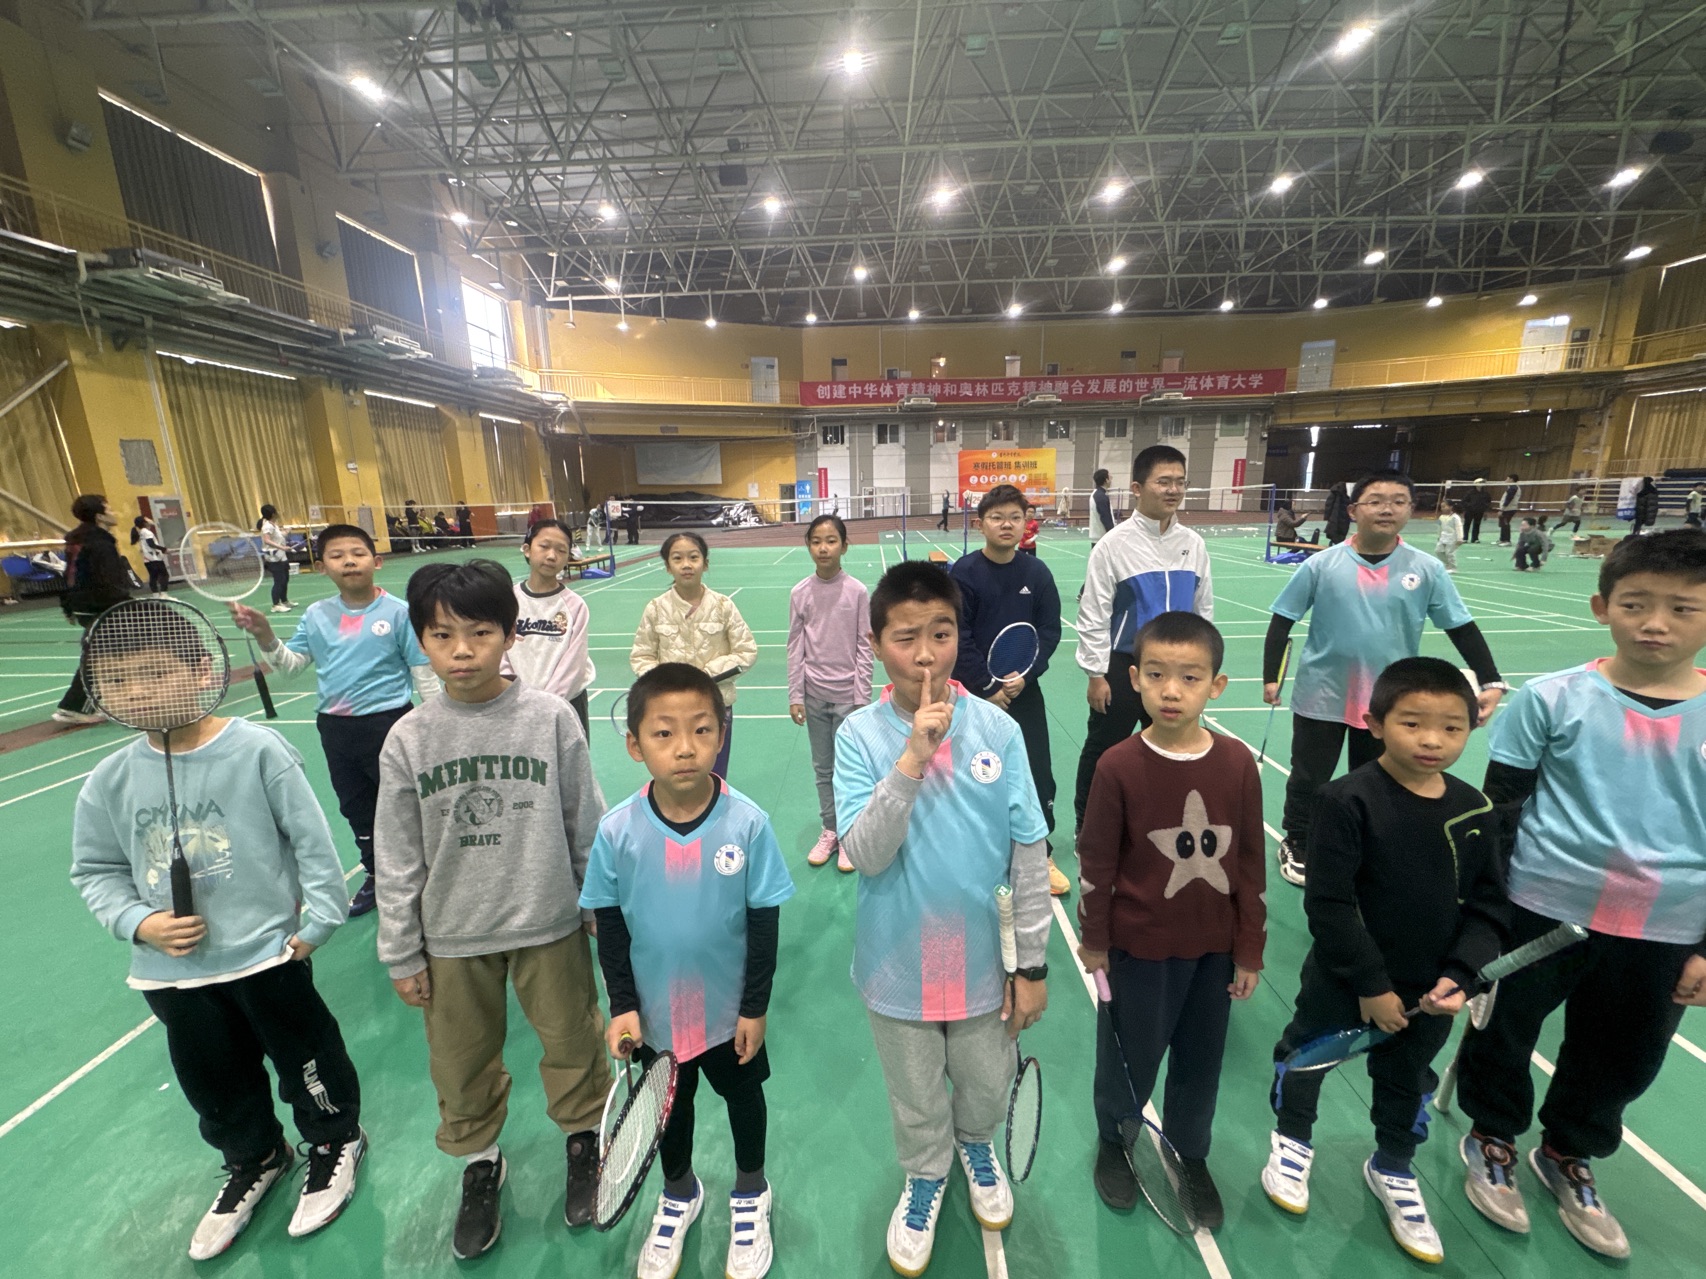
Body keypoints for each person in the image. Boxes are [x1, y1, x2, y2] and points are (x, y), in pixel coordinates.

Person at [70, 598, 365, 1261]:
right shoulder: (107, 780)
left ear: (203, 669)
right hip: (172, 975)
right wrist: (139, 921)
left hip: (267, 955)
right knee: (214, 1080)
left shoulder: (256, 749)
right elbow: (94, 869)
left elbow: (311, 840)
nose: (136, 691)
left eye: (153, 672)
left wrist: (322, 918)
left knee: (307, 1058)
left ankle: (334, 1139)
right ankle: (255, 1156)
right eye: (117, 681)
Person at [1454, 529, 1706, 1261]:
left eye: (1682, 608)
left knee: (1623, 1054)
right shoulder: (1550, 698)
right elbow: (1501, 813)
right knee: (1505, 1031)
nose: (1655, 623)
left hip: (1667, 924)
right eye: (1636, 603)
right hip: (1543, 906)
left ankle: (1568, 1152)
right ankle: (1492, 1137)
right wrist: (1486, 914)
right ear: (1602, 607)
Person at [375, 560, 609, 1261]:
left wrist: (601, 907)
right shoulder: (408, 738)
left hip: (549, 921)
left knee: (573, 1042)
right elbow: (397, 854)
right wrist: (401, 948)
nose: (463, 651)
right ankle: (481, 1163)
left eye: (480, 632)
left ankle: (584, 1143)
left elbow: (585, 820)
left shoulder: (551, 718)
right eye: (442, 635)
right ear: (421, 641)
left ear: (509, 634)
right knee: (460, 1062)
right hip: (451, 936)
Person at [835, 561, 1050, 1276]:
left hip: (985, 961)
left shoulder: (998, 729)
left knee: (985, 1082)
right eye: (905, 638)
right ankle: (926, 1173)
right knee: (915, 1091)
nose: (926, 655)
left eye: (941, 633)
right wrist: (911, 759)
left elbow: (1028, 850)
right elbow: (865, 854)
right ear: (876, 646)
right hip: (896, 960)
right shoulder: (858, 736)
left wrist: (1032, 964)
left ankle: (975, 1144)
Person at [1261, 657, 1509, 1265]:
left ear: (1471, 729)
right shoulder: (1345, 800)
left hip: (1430, 990)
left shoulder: (1475, 811)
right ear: (1374, 724)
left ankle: (1393, 1165)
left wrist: (1461, 977)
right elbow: (1329, 903)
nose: (1432, 740)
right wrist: (1371, 985)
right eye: (1412, 723)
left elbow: (1488, 908)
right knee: (1308, 1059)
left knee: (1407, 1079)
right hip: (1344, 980)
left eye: (1450, 728)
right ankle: (1292, 1141)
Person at [580, 663, 796, 1279]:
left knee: (744, 1099)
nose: (684, 748)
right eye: (664, 733)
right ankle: (679, 1192)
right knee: (668, 1112)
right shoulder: (616, 831)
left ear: (721, 735)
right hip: (655, 1017)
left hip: (729, 1016)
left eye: (701, 730)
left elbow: (764, 926)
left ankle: (751, 1190)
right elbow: (610, 928)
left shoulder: (747, 823)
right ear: (634, 744)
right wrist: (622, 1005)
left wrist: (754, 1008)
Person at [1076, 612, 1265, 1226]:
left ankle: (1190, 1152)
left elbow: (1251, 863)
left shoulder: (1237, 763)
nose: (1171, 691)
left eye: (1189, 677)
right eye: (1156, 675)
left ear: (1217, 685)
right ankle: (1116, 1140)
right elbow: (1097, 862)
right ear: (1134, 679)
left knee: (1201, 1062)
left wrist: (1249, 948)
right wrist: (1095, 940)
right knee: (1128, 1057)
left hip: (1214, 952)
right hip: (1138, 948)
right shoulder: (1117, 766)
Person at [1265, 471, 1508, 888]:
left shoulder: (1426, 569)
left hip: (1388, 700)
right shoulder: (1322, 564)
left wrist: (1491, 680)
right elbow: (1282, 619)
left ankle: (1364, 839)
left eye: (1398, 501)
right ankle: (1299, 839)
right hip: (1322, 691)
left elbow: (1461, 627)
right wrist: (1271, 677)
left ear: (1411, 511)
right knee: (1309, 775)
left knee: (1376, 777)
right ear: (1353, 510)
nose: (1386, 509)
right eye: (1375, 500)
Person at [234, 524, 437, 916]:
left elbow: (423, 674)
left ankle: (423, 874)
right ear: (321, 566)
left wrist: (436, 729)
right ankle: (377, 874)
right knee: (356, 808)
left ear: (376, 561)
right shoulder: (316, 615)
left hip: (390, 725)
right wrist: (265, 635)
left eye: (358, 553)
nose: (349, 562)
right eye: (337, 555)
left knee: (406, 806)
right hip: (336, 728)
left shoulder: (399, 613)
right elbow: (291, 667)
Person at [1073, 445, 1212, 838]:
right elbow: (1094, 612)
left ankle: (1161, 824)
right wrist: (1096, 673)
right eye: (1163, 481)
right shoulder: (1113, 545)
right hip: (1123, 667)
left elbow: (1203, 608)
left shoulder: (1193, 544)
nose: (1173, 490)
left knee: (1172, 749)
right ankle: (1089, 827)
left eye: (1180, 482)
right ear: (1137, 488)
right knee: (1104, 751)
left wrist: (1201, 667)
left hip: (1177, 671)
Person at [952, 484, 1069, 896]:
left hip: (1024, 692)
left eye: (1015, 518)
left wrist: (1026, 676)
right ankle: (975, 850)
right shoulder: (964, 573)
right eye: (997, 517)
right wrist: (988, 688)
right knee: (973, 773)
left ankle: (1041, 852)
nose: (1007, 525)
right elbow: (959, 635)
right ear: (981, 523)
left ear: (1026, 524)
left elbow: (1049, 632)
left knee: (1036, 772)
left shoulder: (1037, 574)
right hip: (975, 696)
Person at [631, 532, 759, 780]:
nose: (686, 565)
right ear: (668, 567)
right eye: (677, 558)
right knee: (674, 776)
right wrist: (667, 681)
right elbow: (641, 656)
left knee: (714, 777)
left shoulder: (723, 606)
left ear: (705, 563)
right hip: (668, 711)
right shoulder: (656, 609)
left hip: (715, 706)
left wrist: (704, 676)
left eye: (693, 557)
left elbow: (746, 651)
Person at [787, 514, 874, 873]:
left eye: (831, 540)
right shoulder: (800, 593)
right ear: (808, 546)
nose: (823, 548)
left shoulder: (857, 592)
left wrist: (862, 697)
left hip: (848, 699)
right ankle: (831, 830)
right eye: (816, 541)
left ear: (844, 546)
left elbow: (865, 646)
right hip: (814, 696)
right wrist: (796, 694)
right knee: (823, 769)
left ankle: (851, 835)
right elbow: (795, 646)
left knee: (849, 770)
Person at [503, 519, 595, 734]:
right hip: (513, 704)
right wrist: (513, 695)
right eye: (544, 546)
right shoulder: (507, 600)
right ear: (527, 549)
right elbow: (499, 655)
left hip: (566, 704)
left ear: (568, 556)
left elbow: (573, 665)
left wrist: (545, 705)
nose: (552, 556)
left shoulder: (575, 606)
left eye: (561, 550)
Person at [53, 493, 132, 726]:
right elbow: (108, 580)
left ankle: (105, 698)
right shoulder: (100, 543)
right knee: (100, 656)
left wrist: (68, 606)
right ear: (100, 516)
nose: (114, 512)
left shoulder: (77, 540)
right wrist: (123, 602)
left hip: (84, 604)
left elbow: (69, 575)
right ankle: (74, 706)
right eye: (109, 508)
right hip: (102, 605)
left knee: (111, 652)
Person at [257, 504, 292, 613]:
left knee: (285, 579)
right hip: (273, 557)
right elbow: (267, 540)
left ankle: (284, 601)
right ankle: (275, 605)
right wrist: (282, 547)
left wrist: (286, 532)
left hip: (281, 556)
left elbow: (278, 537)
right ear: (272, 514)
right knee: (279, 581)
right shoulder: (267, 526)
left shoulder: (273, 525)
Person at [131, 515, 169, 595]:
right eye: (147, 518)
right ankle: (164, 595)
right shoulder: (147, 532)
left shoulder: (142, 532)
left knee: (153, 577)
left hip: (148, 559)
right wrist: (163, 549)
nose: (150, 519)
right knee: (164, 575)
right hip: (154, 559)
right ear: (145, 522)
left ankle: (156, 595)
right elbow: (151, 544)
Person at [1434, 501, 1464, 573]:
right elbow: (1439, 527)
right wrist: (1439, 535)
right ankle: (1447, 564)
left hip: (1452, 538)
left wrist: (1460, 538)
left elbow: (1459, 528)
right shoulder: (1441, 517)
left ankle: (1453, 567)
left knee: (1450, 553)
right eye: (1442, 507)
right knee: (1438, 551)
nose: (1442, 508)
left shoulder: (1455, 517)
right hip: (1443, 537)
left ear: (1451, 507)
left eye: (1444, 506)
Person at [1089, 468, 1116, 544]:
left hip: (1100, 537)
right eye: (1110, 476)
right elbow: (1105, 517)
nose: (1111, 478)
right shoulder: (1100, 496)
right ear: (1106, 480)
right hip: (1101, 538)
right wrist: (1112, 534)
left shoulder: (1098, 494)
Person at [1323, 480, 1352, 545]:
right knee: (1339, 533)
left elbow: (1328, 504)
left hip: (1336, 517)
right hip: (1342, 517)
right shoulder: (1343, 494)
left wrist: (1327, 516)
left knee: (1335, 532)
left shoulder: (1335, 492)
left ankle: (1334, 543)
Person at [1497, 474, 1522, 546]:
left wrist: (1502, 509)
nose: (1506, 480)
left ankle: (1507, 541)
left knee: (1505, 524)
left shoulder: (1513, 488)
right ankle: (1502, 539)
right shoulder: (1511, 487)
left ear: (1511, 479)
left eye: (1507, 478)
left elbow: (1508, 499)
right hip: (1507, 508)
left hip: (1509, 509)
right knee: (1503, 524)